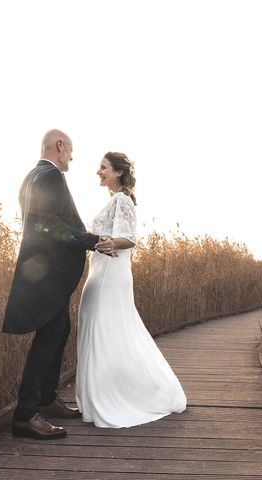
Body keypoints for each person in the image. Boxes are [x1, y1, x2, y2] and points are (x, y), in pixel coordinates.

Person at [2, 129, 113, 439]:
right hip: (46, 276)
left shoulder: (31, 176)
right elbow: (47, 224)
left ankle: (47, 399)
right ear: (60, 146)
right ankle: (25, 415)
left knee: (60, 330)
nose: (72, 158)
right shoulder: (50, 177)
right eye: (70, 151)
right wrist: (90, 240)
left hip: (44, 275)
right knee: (48, 340)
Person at [75, 152, 187, 428]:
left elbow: (129, 239)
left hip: (110, 275)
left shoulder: (122, 200)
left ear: (117, 172)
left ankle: (116, 395)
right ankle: (96, 396)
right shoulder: (114, 200)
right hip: (102, 271)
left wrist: (105, 243)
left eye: (103, 167)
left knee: (107, 330)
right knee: (103, 329)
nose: (98, 172)